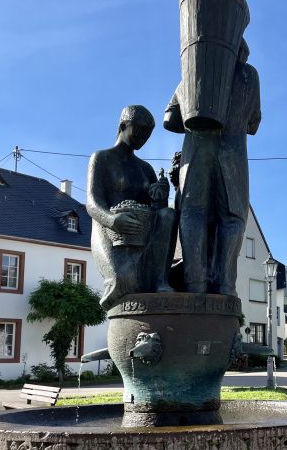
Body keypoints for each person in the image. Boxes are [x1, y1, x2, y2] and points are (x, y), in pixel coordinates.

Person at [164, 39, 261, 296]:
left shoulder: (192, 74)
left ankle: (194, 282)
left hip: (196, 149)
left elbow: (170, 120)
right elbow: (254, 124)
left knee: (191, 213)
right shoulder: (248, 74)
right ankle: (226, 286)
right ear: (242, 54)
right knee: (232, 217)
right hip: (233, 152)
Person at [87, 105, 176, 310]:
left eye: (147, 135)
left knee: (168, 214)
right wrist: (112, 220)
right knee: (125, 281)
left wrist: (159, 196)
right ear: (123, 126)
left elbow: (157, 211)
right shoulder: (101, 158)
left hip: (141, 234)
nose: (143, 138)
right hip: (110, 232)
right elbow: (92, 203)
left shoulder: (146, 169)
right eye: (139, 131)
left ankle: (160, 279)